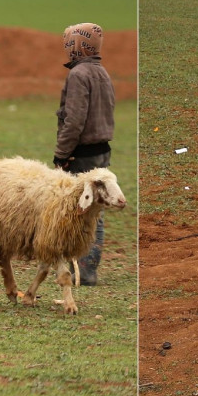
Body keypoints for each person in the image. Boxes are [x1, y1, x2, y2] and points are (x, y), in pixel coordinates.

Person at [53, 22, 115, 286]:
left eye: (69, 42)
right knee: (94, 211)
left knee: (79, 211)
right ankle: (88, 269)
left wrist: (62, 154)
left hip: (82, 153)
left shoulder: (78, 74)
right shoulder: (101, 72)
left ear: (76, 45)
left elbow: (74, 120)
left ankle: (83, 271)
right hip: (101, 151)